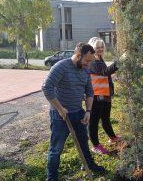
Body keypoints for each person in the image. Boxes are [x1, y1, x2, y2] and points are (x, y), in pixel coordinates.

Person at [42, 43, 105, 181]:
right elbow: (47, 87)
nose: (89, 65)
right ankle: (51, 177)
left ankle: (89, 164)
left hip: (78, 113)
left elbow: (89, 91)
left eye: (91, 61)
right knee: (56, 148)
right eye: (87, 61)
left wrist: (88, 111)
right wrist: (60, 108)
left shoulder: (85, 69)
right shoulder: (61, 67)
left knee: (83, 141)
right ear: (78, 56)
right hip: (60, 116)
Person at [87, 37, 120, 155]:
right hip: (96, 96)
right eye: (97, 47)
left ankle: (112, 137)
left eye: (101, 47)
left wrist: (110, 92)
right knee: (94, 121)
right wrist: (118, 63)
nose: (100, 49)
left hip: (104, 94)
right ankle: (95, 145)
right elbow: (103, 73)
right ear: (92, 49)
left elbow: (106, 75)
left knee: (105, 117)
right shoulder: (92, 61)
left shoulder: (100, 59)